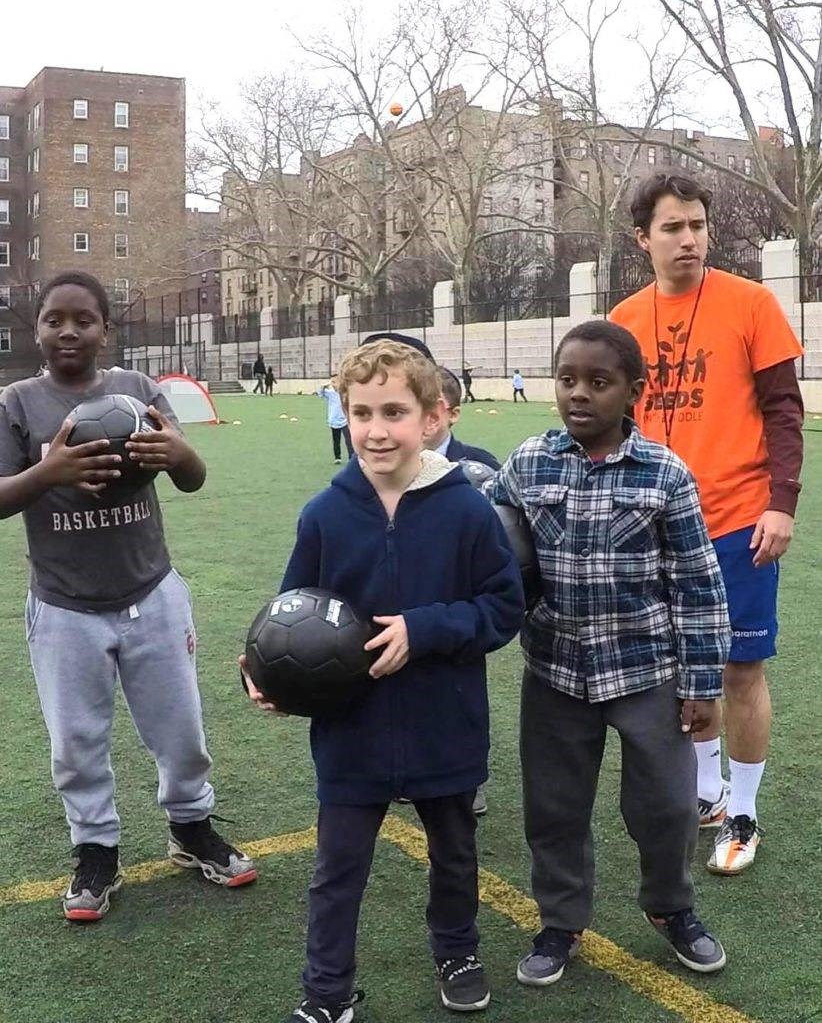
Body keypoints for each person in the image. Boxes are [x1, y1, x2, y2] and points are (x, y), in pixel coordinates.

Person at [242, 339, 524, 1022]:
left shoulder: (467, 511)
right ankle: (326, 993)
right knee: (337, 872)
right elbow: (289, 612)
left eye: (394, 411)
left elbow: (502, 608)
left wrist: (422, 630)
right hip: (352, 732)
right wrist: (263, 670)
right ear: (343, 414)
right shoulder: (325, 515)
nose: (375, 429)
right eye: (360, 411)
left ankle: (456, 950)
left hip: (445, 725)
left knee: (455, 858)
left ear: (432, 418)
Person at [0, 271, 257, 923]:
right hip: (63, 605)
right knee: (76, 742)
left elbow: (193, 478)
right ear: (36, 330)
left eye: (83, 319)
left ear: (106, 330)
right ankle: (95, 848)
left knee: (180, 728)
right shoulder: (18, 404)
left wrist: (176, 451)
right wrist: (49, 471)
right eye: (54, 319)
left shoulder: (138, 393)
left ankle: (191, 827)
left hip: (151, 593)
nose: (68, 331)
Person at [486, 320, 730, 986]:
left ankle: (671, 907)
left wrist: (703, 684)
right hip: (556, 672)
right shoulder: (529, 463)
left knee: (669, 806)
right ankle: (560, 922)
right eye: (568, 379)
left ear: (633, 393)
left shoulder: (665, 474)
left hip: (647, 670)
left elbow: (698, 584)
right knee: (554, 808)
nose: (579, 394)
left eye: (599, 382)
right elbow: (481, 536)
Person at [611, 172, 804, 875]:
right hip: (657, 524)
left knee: (740, 667)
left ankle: (744, 811)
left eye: (697, 225)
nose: (688, 238)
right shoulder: (624, 321)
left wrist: (780, 501)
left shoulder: (751, 303)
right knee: (675, 670)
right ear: (644, 239)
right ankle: (704, 792)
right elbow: (614, 423)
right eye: (672, 227)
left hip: (739, 518)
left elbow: (784, 409)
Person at [425, 366, 501, 818]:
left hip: (463, 602)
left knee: (461, 688)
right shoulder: (386, 461)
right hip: (408, 595)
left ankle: (470, 777)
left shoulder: (479, 465)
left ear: (452, 413)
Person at [429, 367, 501, 471]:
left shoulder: (483, 465)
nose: (419, 414)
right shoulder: (397, 463)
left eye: (430, 405)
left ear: (453, 415)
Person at [317, 378, 354, 463]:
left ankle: (351, 458)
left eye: (335, 382)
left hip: (345, 420)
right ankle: (337, 457)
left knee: (348, 440)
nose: (334, 384)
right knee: (336, 440)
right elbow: (320, 394)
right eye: (332, 382)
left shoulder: (345, 393)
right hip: (334, 420)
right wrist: (323, 386)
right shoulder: (330, 393)